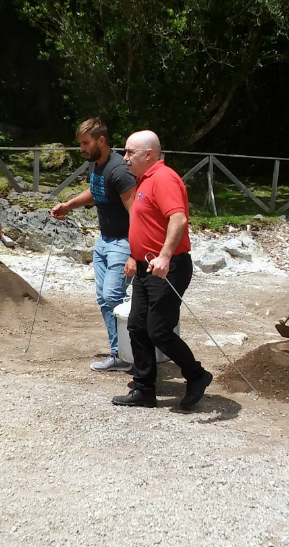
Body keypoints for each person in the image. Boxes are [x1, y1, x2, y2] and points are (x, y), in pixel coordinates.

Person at [112, 130, 212, 409]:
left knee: (158, 330)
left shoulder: (164, 178)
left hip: (168, 267)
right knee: (136, 326)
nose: (125, 157)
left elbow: (178, 219)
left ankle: (197, 375)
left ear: (149, 154)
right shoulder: (144, 180)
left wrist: (165, 256)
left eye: (130, 152)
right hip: (146, 266)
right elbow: (146, 225)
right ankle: (144, 390)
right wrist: (134, 256)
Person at [51, 118, 137, 373]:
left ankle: (137, 351)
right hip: (104, 241)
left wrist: (135, 253)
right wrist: (68, 205)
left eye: (86, 143)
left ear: (101, 140)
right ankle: (119, 353)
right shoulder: (98, 166)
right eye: (80, 143)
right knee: (103, 298)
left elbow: (136, 212)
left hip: (123, 242)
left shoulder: (119, 170)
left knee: (113, 296)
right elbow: (96, 191)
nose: (82, 149)